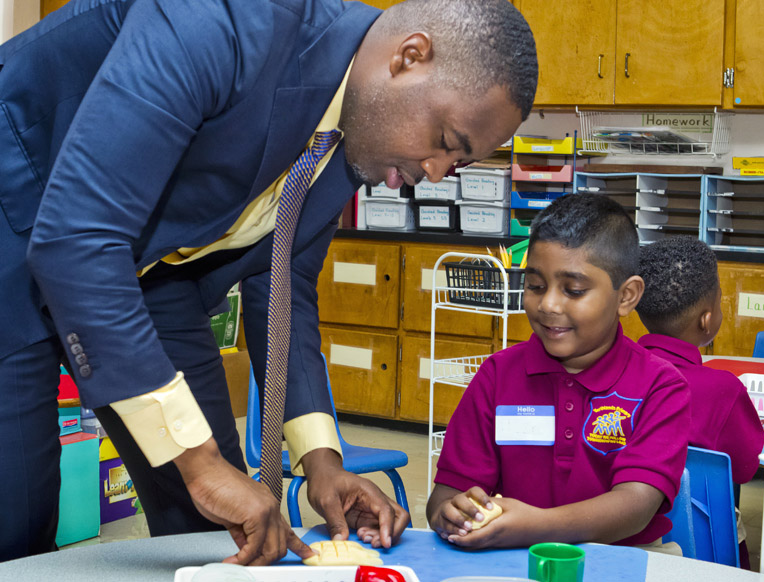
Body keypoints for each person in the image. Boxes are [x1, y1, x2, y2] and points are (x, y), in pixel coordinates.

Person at [0, 0, 538, 564]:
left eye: (457, 165)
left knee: (218, 523)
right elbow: (79, 236)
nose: (433, 173)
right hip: (22, 214)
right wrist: (197, 460)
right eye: (447, 139)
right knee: (17, 517)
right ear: (410, 57)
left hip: (152, 271)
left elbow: (284, 288)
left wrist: (321, 459)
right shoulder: (221, 21)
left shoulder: (352, 140)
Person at [426, 193, 691, 551]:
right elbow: (445, 495)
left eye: (574, 290)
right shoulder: (497, 375)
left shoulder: (660, 385)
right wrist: (451, 513)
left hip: (625, 556)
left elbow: (635, 506)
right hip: (514, 553)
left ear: (626, 296)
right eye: (535, 286)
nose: (548, 304)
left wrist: (536, 527)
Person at [635, 235, 764, 568]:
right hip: (709, 550)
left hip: (628, 540)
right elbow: (746, 467)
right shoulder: (724, 388)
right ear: (707, 319)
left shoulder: (616, 375)